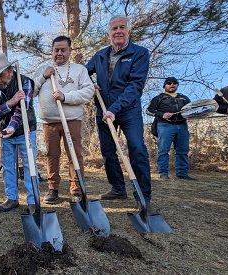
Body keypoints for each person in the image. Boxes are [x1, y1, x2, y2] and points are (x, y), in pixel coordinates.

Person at [86, 15, 154, 213]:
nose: (118, 31)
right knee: (108, 152)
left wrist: (114, 109)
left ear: (128, 31)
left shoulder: (140, 53)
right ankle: (117, 188)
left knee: (137, 148)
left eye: (121, 27)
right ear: (108, 34)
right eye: (114, 28)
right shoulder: (100, 55)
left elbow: (135, 86)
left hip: (128, 110)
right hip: (102, 109)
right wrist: (89, 84)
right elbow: (83, 73)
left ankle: (143, 196)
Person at [33, 35, 95, 203]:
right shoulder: (42, 69)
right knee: (52, 155)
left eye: (63, 50)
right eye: (56, 50)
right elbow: (30, 92)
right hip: (49, 122)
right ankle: (53, 189)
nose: (59, 53)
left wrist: (66, 97)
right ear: (52, 51)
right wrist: (43, 77)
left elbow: (89, 91)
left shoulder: (79, 70)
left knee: (74, 154)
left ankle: (76, 189)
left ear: (70, 50)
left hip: (72, 120)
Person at [0, 53, 38, 213]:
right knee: (8, 166)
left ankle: (33, 201)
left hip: (25, 130)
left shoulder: (25, 82)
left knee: (29, 166)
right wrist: (10, 102)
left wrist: (12, 127)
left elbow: (22, 110)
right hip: (4, 132)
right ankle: (12, 199)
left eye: (0, 76)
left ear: (10, 70)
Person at [147, 77, 196, 180]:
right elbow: (149, 110)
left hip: (182, 125)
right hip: (165, 125)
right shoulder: (159, 98)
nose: (172, 85)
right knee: (163, 150)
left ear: (177, 85)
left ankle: (182, 173)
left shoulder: (184, 98)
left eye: (174, 83)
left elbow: (190, 110)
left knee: (183, 150)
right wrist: (162, 114)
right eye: (169, 83)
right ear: (164, 85)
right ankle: (163, 173)